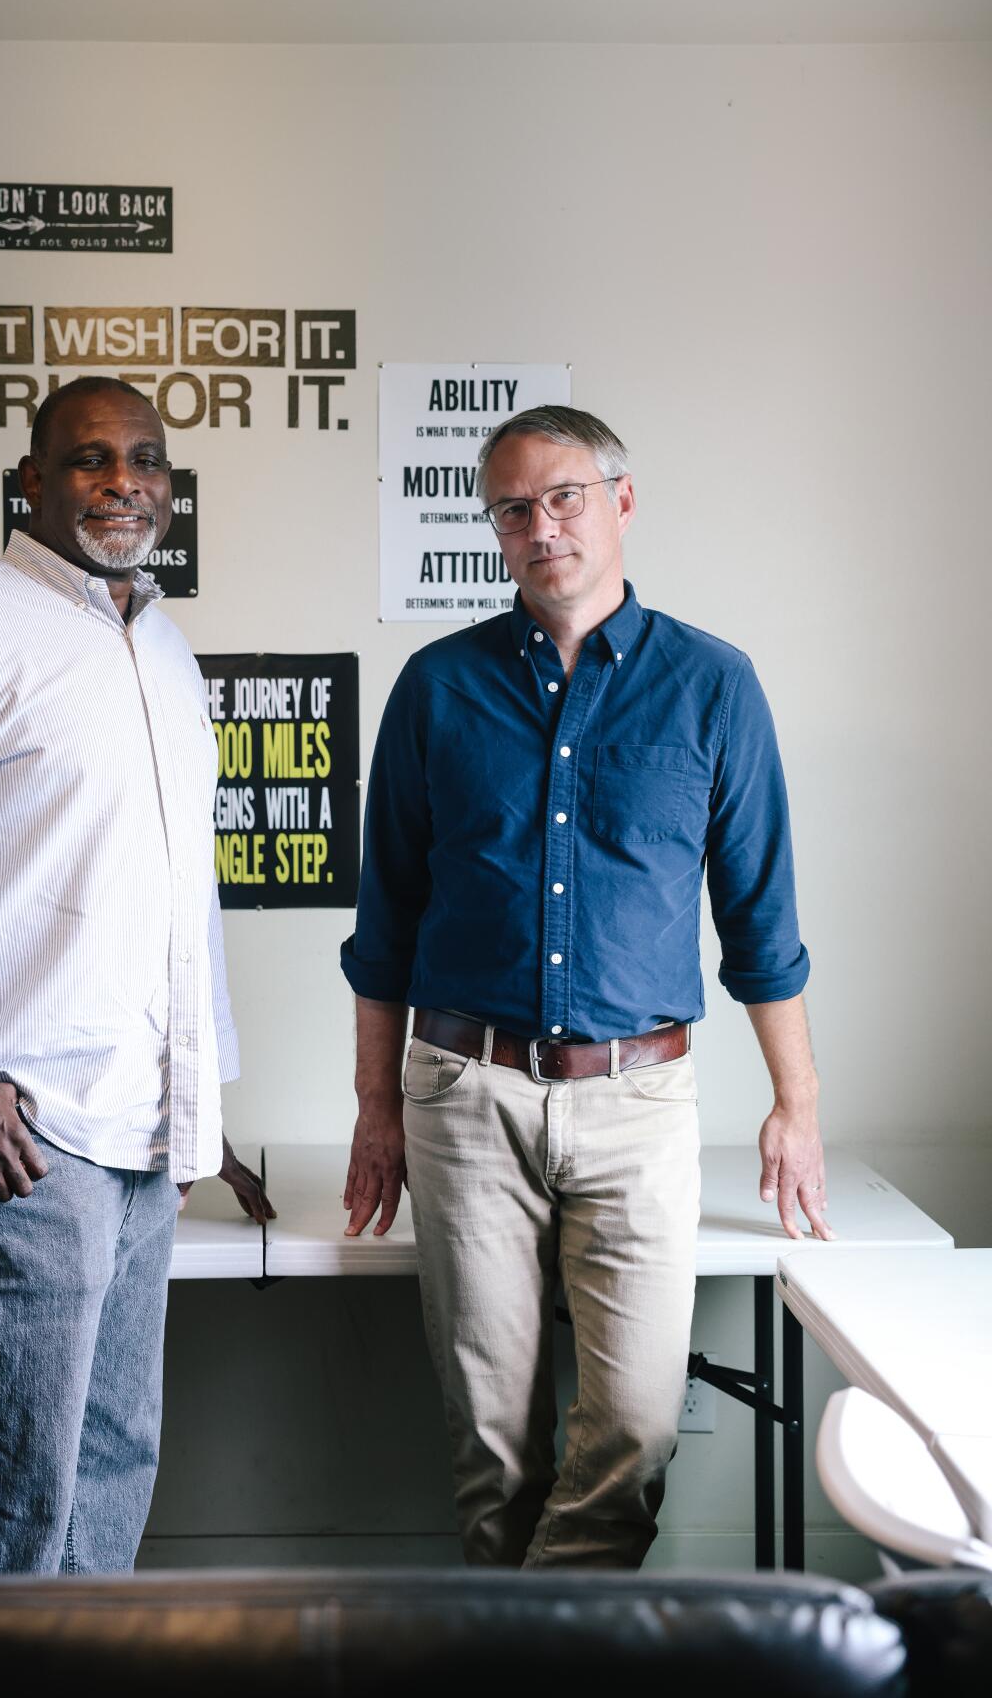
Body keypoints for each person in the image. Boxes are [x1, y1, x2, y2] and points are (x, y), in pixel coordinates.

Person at [340, 404, 831, 1570]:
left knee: (635, 1431)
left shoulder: (714, 685)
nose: (540, 523)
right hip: (464, 1095)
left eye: (563, 495)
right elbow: (385, 927)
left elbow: (761, 920)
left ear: (621, 499)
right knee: (493, 1450)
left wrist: (796, 1101)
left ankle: (541, 1661)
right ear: (495, 533)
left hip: (639, 1103)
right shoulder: (436, 688)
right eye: (513, 507)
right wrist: (376, 1109)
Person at [0, 375, 272, 1575]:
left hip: (140, 1146)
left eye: (145, 458)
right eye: (88, 458)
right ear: (29, 480)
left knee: (105, 1507)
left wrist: (201, 1106)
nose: (123, 479)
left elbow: (182, 900)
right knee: (7, 1521)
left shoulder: (165, 654)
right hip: (12, 1141)